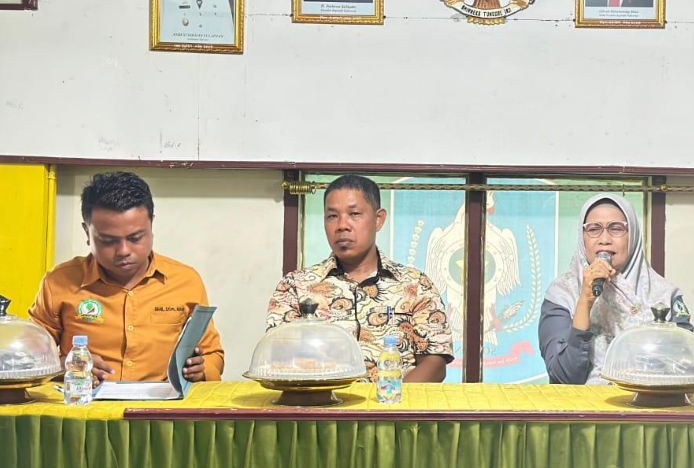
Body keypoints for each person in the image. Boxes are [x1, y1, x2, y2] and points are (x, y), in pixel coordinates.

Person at [29, 172, 224, 384]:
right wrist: (67, 366)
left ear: (151, 226)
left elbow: (213, 355)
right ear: (87, 233)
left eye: (135, 238)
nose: (123, 251)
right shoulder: (58, 282)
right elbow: (31, 359)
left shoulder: (185, 281)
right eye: (108, 240)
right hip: (85, 401)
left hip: (160, 403)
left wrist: (201, 369)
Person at [266, 175, 453, 381]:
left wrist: (391, 398)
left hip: (396, 399)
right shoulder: (295, 286)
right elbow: (280, 357)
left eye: (354, 214)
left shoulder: (416, 285)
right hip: (320, 400)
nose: (342, 225)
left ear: (378, 219)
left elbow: (435, 362)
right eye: (332, 216)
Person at [538, 193, 692, 385]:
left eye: (616, 228)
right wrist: (584, 302)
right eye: (594, 229)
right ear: (582, 237)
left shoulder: (665, 296)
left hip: (650, 403)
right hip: (584, 403)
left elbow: (685, 369)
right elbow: (564, 377)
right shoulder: (562, 294)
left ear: (633, 236)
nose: (604, 239)